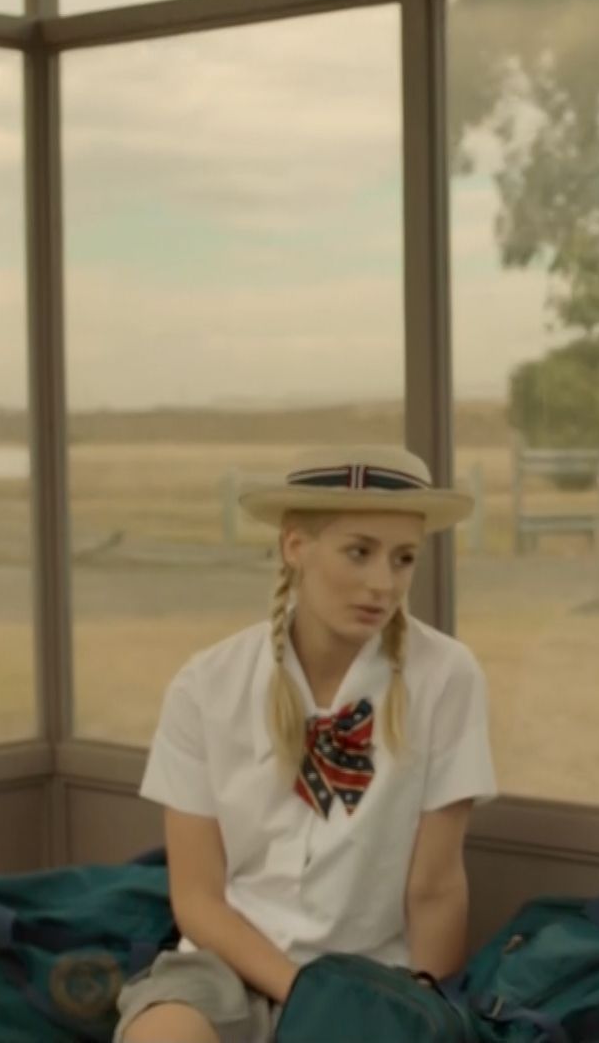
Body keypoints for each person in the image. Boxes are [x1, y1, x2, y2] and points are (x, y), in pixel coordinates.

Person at [117, 445, 498, 1043]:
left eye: (403, 559)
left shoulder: (446, 677)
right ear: (295, 546)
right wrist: (303, 994)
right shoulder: (205, 685)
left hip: (372, 978)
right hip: (225, 968)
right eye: (359, 552)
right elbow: (196, 897)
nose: (383, 584)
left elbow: (435, 889)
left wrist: (419, 1015)